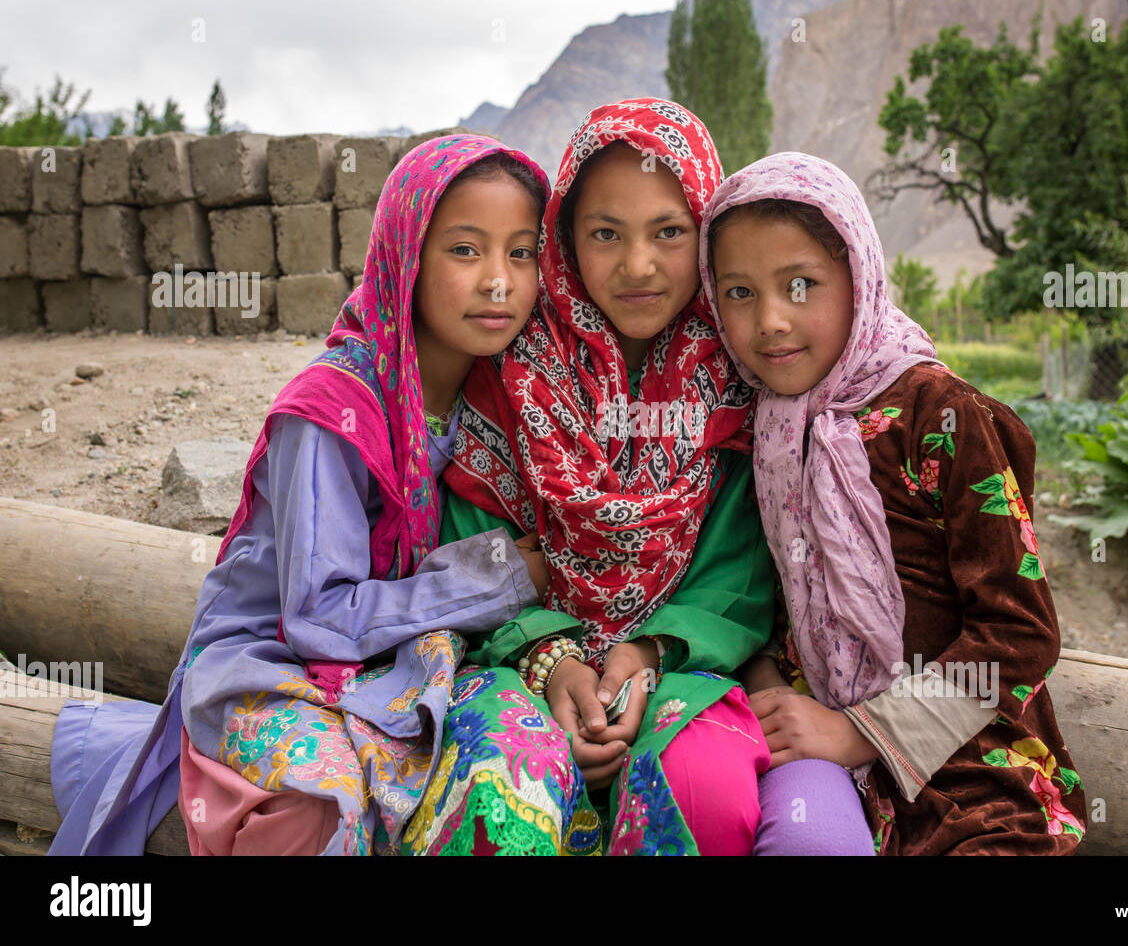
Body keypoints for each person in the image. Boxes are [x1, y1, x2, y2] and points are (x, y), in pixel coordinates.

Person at [48, 134, 552, 855]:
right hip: (272, 662)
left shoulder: (495, 397)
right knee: (325, 805)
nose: (499, 281)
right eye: (466, 251)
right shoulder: (333, 412)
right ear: (404, 256)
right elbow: (316, 615)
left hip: (389, 655)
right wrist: (500, 578)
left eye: (522, 252)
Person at [398, 98, 776, 856]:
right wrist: (551, 654)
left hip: (683, 667)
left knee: (704, 789)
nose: (637, 266)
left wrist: (648, 655)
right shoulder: (508, 371)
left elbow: (741, 567)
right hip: (512, 658)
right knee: (499, 791)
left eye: (669, 232)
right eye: (605, 234)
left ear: (705, 235)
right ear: (565, 240)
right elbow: (475, 544)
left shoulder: (737, 382)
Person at [698, 151, 1087, 855]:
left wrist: (860, 732)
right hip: (827, 768)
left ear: (860, 277)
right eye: (739, 293)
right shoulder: (765, 430)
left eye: (800, 284)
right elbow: (771, 605)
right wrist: (770, 689)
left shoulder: (943, 416)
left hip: (969, 769)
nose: (771, 321)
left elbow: (1021, 634)